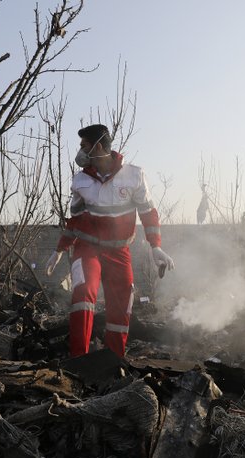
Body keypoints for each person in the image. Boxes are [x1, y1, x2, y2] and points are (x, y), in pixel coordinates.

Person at [46, 124, 174, 357]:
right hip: (87, 249)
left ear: (100, 146)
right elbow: (74, 221)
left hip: (119, 251)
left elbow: (148, 212)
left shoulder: (134, 175)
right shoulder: (80, 181)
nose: (81, 151)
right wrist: (60, 249)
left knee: (122, 303)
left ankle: (113, 361)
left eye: (84, 146)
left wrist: (156, 246)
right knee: (83, 294)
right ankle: (79, 361)